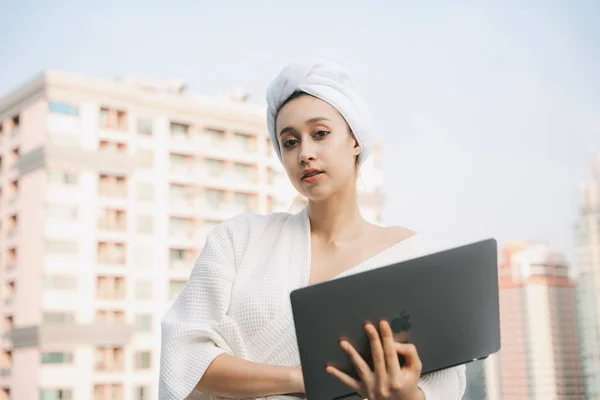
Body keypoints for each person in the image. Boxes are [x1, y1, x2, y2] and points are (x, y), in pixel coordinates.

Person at [159, 60, 467, 400]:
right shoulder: (238, 239)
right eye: (289, 142)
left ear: (355, 141)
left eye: (320, 134)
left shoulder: (409, 255)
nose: (305, 153)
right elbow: (184, 356)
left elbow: (442, 382)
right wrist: (303, 378)